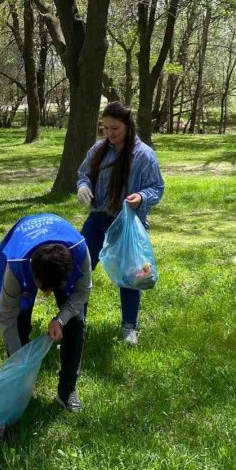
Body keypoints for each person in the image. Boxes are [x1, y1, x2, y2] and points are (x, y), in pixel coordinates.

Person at [0, 213, 92, 412]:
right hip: (25, 250)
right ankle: (21, 386)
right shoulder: (16, 264)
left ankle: (67, 391)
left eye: (51, 290)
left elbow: (82, 291)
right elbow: (6, 315)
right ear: (32, 274)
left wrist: (61, 319)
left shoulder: (80, 250)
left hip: (60, 261)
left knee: (76, 323)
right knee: (19, 325)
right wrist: (19, 361)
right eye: (42, 289)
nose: (46, 295)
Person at [76, 101, 164, 346]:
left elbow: (156, 187)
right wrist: (83, 186)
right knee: (80, 268)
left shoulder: (144, 155)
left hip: (127, 223)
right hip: (97, 220)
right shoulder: (98, 150)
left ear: (128, 126)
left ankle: (129, 326)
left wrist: (142, 197)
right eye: (105, 129)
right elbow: (83, 174)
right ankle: (77, 320)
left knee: (131, 274)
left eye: (115, 129)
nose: (109, 134)